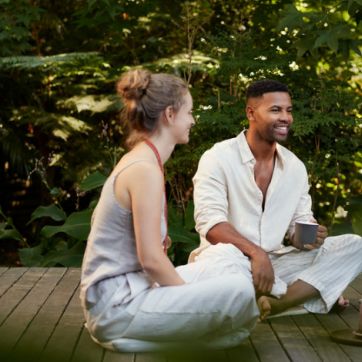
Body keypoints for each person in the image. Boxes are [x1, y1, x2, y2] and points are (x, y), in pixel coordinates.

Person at [80, 70, 259, 353]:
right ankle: (173, 340)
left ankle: (169, 336)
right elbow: (151, 259)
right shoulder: (144, 169)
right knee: (240, 291)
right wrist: (189, 297)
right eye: (189, 112)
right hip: (117, 307)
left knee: (230, 257)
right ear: (169, 115)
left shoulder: (144, 159)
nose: (192, 120)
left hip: (137, 289)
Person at [190, 79, 362, 321]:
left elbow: (300, 223)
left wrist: (306, 237)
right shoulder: (218, 158)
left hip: (276, 264)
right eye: (275, 110)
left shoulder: (295, 166)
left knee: (354, 246)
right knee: (221, 267)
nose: (285, 117)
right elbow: (210, 224)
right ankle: (309, 294)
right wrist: (256, 254)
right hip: (231, 263)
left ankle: (278, 303)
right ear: (251, 113)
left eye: (289, 110)